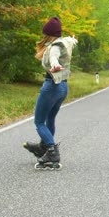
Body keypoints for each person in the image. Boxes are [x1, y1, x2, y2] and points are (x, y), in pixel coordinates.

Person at [23, 17, 77, 170]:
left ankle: (51, 151)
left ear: (48, 34)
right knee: (49, 118)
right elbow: (70, 42)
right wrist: (73, 39)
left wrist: (55, 65)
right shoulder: (65, 42)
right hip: (63, 87)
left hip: (52, 86)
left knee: (39, 122)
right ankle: (44, 146)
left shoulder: (54, 47)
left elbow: (53, 56)